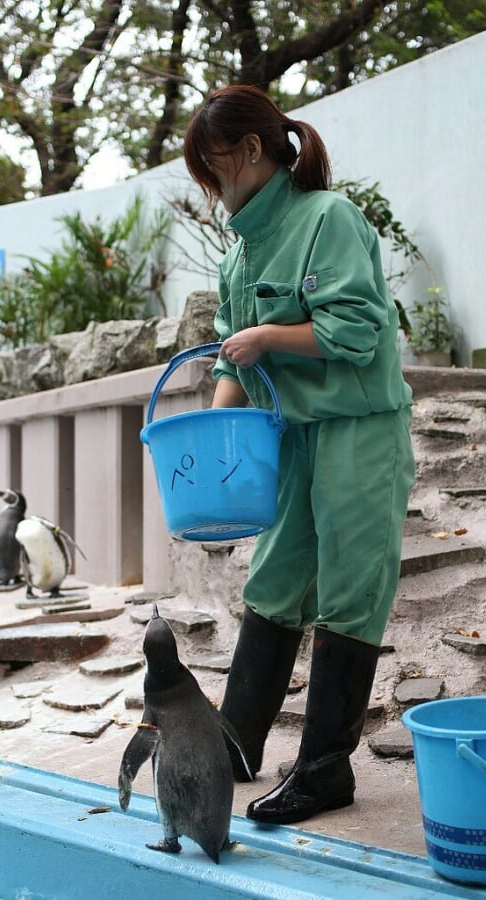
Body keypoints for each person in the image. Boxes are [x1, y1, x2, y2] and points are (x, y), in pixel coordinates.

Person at [183, 85, 416, 826]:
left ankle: (324, 770)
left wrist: (269, 339)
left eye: (212, 166)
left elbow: (358, 331)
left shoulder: (328, 219)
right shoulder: (239, 257)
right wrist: (214, 437)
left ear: (251, 150)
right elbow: (230, 354)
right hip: (291, 437)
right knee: (277, 574)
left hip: (357, 427)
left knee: (351, 581)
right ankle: (236, 744)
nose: (211, 186)